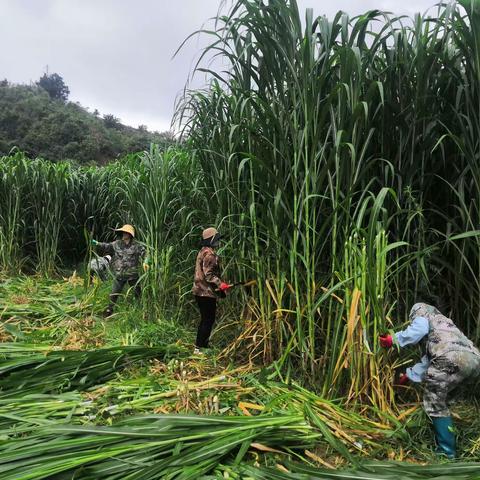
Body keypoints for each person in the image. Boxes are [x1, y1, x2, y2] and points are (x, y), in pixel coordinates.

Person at [379, 302, 480, 458]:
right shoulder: (444, 324)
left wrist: (394, 339)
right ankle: (455, 433)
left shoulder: (422, 312)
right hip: (473, 361)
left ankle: (446, 454)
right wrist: (410, 375)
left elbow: (418, 330)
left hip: (450, 358)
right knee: (447, 397)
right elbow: (431, 360)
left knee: (435, 403)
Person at [91, 224, 148, 317]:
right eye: (123, 232)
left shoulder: (136, 245)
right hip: (120, 274)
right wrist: (96, 243)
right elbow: (106, 246)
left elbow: (146, 253)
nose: (124, 234)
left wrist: (146, 261)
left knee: (138, 293)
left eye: (126, 232)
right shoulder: (117, 244)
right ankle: (109, 311)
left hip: (132, 275)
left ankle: (139, 310)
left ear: (130, 234)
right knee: (114, 294)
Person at [192, 227, 231, 354]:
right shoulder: (209, 254)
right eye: (217, 239)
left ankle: (202, 346)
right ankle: (199, 348)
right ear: (211, 239)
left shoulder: (202, 251)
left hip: (199, 291)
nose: (219, 241)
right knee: (208, 319)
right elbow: (209, 275)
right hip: (205, 292)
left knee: (206, 319)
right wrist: (221, 284)